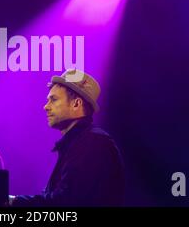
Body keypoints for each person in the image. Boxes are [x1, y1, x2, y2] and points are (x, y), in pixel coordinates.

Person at [10, 69, 124, 207]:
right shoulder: (81, 141)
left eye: (54, 99)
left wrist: (15, 202)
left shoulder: (93, 142)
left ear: (76, 104)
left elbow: (67, 203)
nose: (46, 106)